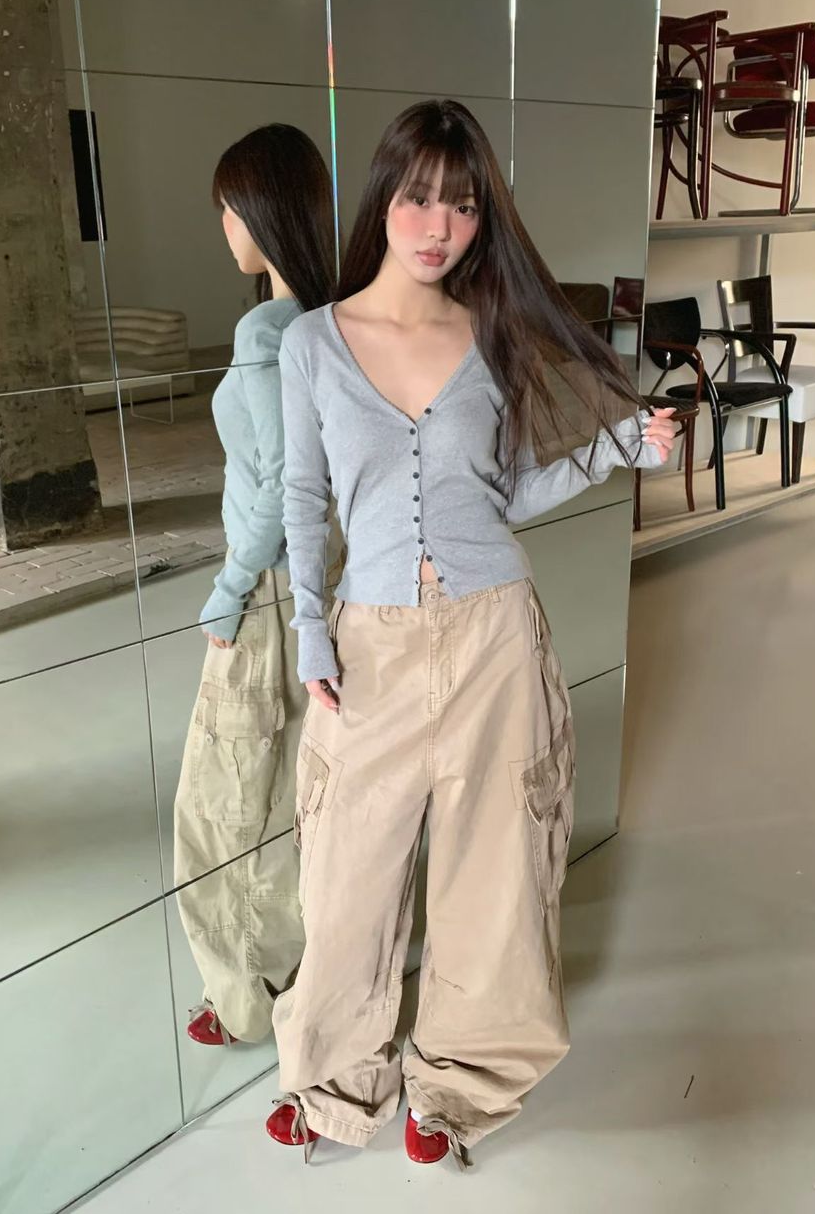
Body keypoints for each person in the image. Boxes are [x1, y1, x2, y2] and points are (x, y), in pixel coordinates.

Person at [265, 100, 678, 1166]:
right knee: (346, 876)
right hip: (370, 644)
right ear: (383, 201)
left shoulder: (489, 335)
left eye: (462, 204)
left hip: (496, 636)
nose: (437, 225)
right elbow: (302, 501)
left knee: (493, 876)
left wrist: (619, 448)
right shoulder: (312, 344)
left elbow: (506, 496)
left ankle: (454, 1089)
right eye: (417, 198)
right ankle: (332, 1079)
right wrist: (309, 633)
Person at [174, 123, 342, 1050]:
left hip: (270, 589)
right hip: (319, 583)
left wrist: (228, 589)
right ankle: (290, 973)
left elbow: (281, 485)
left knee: (224, 804)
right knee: (293, 795)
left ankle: (246, 997)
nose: (223, 225)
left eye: (229, 207)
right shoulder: (336, 319)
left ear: (264, 213)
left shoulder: (268, 331)